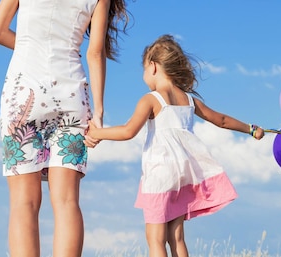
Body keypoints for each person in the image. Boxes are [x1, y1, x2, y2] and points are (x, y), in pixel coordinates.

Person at [0, 0, 134, 257]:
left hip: (22, 95)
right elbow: (95, 53)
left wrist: (27, 44)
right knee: (67, 201)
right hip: (71, 98)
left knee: (24, 203)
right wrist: (99, 112)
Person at [86, 34, 265, 257]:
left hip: (160, 173)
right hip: (183, 175)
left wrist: (98, 133)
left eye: (143, 69)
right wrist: (250, 128)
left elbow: (128, 131)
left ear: (152, 67)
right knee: (177, 237)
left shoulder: (151, 99)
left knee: (155, 239)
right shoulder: (189, 100)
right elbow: (221, 120)